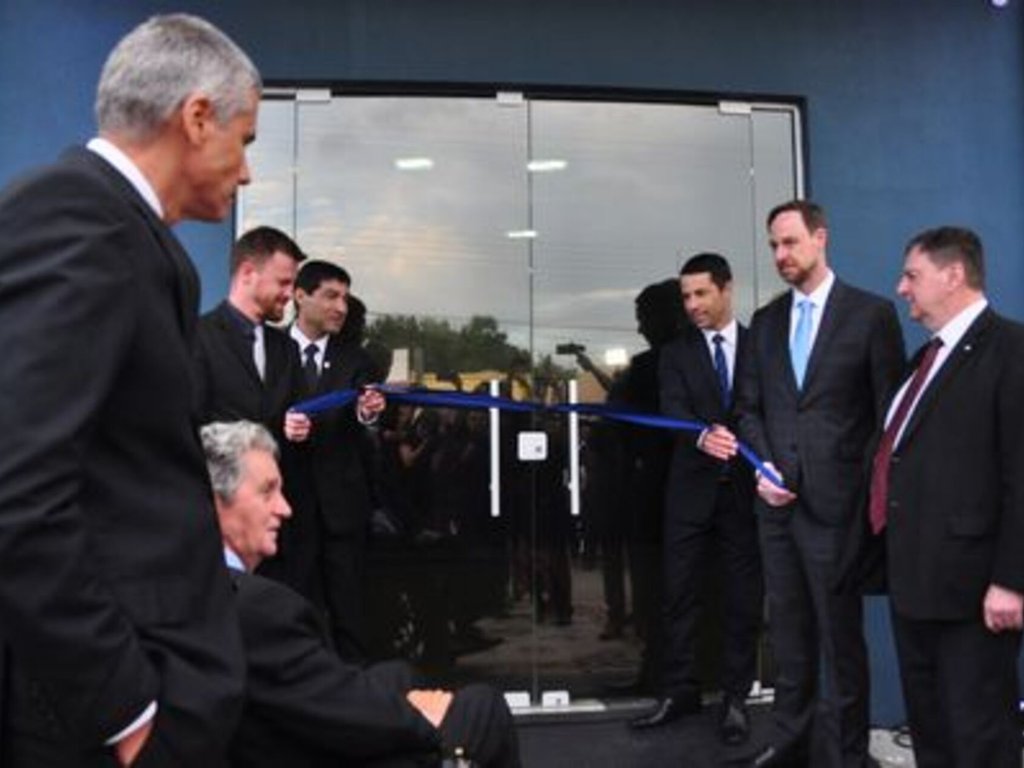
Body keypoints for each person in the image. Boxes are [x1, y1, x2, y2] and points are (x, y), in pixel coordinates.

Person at [0, 13, 259, 766]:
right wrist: (126, 710)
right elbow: (18, 486)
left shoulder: (116, 230)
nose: (245, 171)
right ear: (197, 117)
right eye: (245, 141)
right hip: (93, 719)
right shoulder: (78, 220)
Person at [201, 420, 521, 768]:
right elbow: (334, 710)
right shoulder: (258, 607)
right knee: (482, 707)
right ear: (217, 500)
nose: (285, 508)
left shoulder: (183, 585)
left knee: (400, 675)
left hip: (266, 736)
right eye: (268, 491)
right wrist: (421, 718)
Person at [735, 200, 905, 767]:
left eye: (790, 242)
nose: (781, 255)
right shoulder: (764, 322)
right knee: (789, 640)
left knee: (841, 642)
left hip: (839, 515)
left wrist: (867, 504)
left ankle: (848, 756)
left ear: (820, 238)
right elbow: (748, 409)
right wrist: (763, 469)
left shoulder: (871, 316)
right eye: (773, 246)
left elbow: (890, 420)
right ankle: (791, 746)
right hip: (775, 511)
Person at [850, 227, 1024, 767]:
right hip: (915, 583)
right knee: (932, 732)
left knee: (978, 735)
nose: (901, 288)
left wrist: (1011, 581)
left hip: (975, 593)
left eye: (912, 275)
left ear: (953, 275)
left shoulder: (1012, 350)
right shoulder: (922, 362)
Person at [630, 254, 761, 748]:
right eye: (685, 296)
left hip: (744, 496)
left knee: (741, 601)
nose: (691, 305)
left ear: (726, 290)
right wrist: (700, 436)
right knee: (678, 596)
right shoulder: (675, 352)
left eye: (701, 294)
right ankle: (679, 691)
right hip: (689, 492)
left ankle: (735, 699)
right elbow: (673, 410)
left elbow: (764, 407)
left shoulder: (758, 346)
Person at [288, 259, 385, 659]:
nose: (341, 307)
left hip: (343, 512)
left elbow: (369, 422)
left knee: (350, 615)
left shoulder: (357, 359)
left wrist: (369, 412)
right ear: (299, 296)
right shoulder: (271, 351)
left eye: (345, 298)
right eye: (331, 296)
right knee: (295, 613)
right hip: (289, 511)